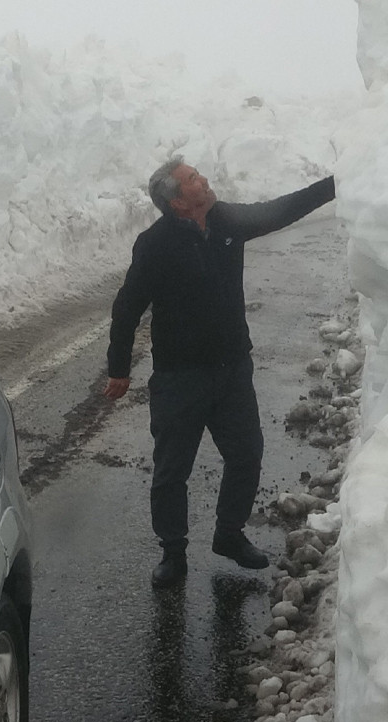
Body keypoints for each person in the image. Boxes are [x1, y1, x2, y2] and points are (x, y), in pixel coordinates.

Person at [103, 157, 335, 587]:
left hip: (232, 369)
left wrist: (335, 185)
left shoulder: (226, 218)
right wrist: (118, 368)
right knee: (172, 470)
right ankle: (173, 553)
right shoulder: (155, 244)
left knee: (246, 454)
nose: (203, 179)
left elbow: (279, 210)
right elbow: (127, 306)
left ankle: (229, 534)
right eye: (193, 179)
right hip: (179, 377)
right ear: (176, 203)